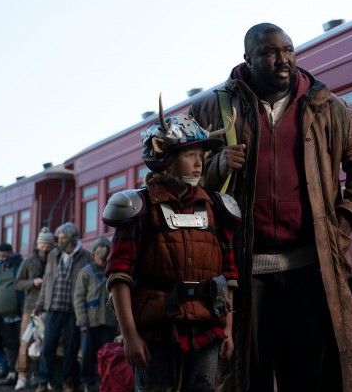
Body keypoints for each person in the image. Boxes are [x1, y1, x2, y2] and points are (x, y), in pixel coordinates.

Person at [190, 23, 352, 392]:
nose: (283, 59)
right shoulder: (211, 107)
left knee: (313, 378)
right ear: (248, 59)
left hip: (311, 267)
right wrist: (216, 166)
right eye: (270, 52)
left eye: (288, 50)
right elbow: (176, 175)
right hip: (243, 271)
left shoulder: (325, 105)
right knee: (248, 377)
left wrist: (347, 217)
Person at [103, 102, 239, 392]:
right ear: (164, 156)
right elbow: (119, 276)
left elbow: (228, 275)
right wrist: (129, 336)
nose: (199, 163)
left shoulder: (216, 207)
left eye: (201, 155)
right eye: (189, 155)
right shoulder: (137, 207)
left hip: (206, 329)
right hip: (156, 330)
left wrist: (227, 328)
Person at [34, 222, 93, 392]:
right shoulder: (54, 255)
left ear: (73, 239)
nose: (59, 240)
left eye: (63, 238)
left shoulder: (86, 256)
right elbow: (47, 281)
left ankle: (69, 381)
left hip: (74, 310)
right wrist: (39, 304)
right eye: (58, 237)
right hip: (53, 307)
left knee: (71, 347)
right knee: (48, 345)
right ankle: (43, 381)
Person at [73, 237, 117, 392]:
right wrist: (83, 322)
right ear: (93, 252)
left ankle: (105, 382)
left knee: (108, 354)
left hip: (109, 321)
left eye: (106, 246)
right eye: (100, 247)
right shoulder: (85, 272)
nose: (103, 249)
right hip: (90, 322)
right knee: (87, 355)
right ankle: (88, 383)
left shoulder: (113, 272)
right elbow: (78, 298)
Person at [13, 226, 54, 390]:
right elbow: (17, 283)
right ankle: (22, 375)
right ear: (37, 245)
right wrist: (33, 282)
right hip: (30, 308)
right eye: (42, 245)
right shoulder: (28, 262)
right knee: (25, 341)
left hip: (50, 307)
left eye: (48, 245)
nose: (45, 248)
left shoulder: (55, 259)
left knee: (49, 343)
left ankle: (46, 376)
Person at [0, 243, 24, 387]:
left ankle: (25, 374)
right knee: (10, 343)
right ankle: (12, 372)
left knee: (23, 342)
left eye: (4, 256)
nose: (1, 258)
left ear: (11, 253)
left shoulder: (19, 264)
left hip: (19, 312)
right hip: (3, 314)